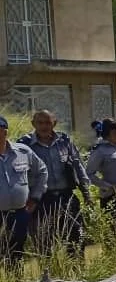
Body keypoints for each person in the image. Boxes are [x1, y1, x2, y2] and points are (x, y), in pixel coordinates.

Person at [17, 110, 91, 258]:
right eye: (40, 123)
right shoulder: (24, 145)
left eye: (48, 123)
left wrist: (86, 193)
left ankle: (77, 270)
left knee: (76, 239)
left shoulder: (64, 141)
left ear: (54, 124)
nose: (44, 126)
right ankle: (50, 272)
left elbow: (78, 166)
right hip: (40, 201)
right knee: (43, 244)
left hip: (66, 198)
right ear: (33, 124)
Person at [0, 115, 48, 269]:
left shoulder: (22, 151)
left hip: (19, 213)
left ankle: (15, 280)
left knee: (17, 251)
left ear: (5, 132)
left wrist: (35, 197)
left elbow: (42, 171)